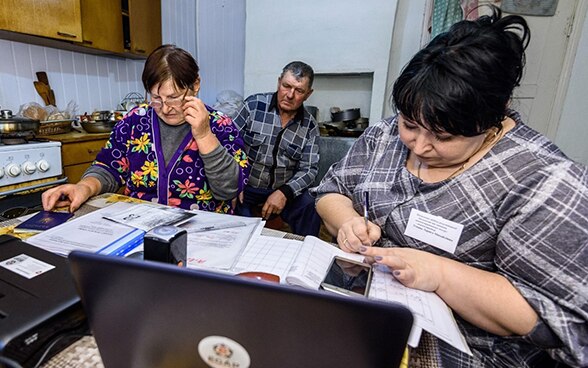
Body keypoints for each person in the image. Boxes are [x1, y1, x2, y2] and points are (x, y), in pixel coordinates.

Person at [312, 7, 587, 368]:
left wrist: (439, 274)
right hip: (364, 318)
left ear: (493, 117)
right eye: (409, 124)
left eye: (443, 136)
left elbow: (557, 321)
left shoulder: (544, 180)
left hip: (460, 354)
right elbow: (331, 190)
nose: (419, 146)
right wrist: (346, 220)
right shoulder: (384, 134)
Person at [42, 44, 249, 214]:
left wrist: (204, 135)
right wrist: (84, 187)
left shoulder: (220, 124)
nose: (166, 108)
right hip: (141, 226)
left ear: (195, 85)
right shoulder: (135, 121)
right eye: (157, 98)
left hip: (202, 231)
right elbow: (109, 167)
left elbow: (228, 190)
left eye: (174, 97)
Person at [233, 61, 321, 236]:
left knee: (310, 204)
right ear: (279, 82)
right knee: (241, 228)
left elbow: (309, 169)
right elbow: (228, 143)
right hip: (245, 187)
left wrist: (285, 192)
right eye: (286, 86)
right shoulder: (253, 106)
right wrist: (232, 182)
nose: (290, 95)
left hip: (283, 190)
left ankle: (306, 255)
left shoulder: (310, 126)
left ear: (308, 94)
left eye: (299, 91)